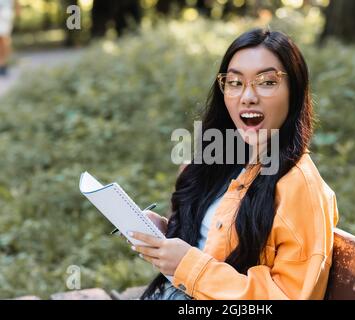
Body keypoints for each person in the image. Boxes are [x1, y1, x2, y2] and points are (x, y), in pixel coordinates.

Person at [129, 28, 340, 300]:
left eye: (266, 82)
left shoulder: (301, 188)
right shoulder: (228, 159)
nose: (247, 96)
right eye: (235, 83)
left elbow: (287, 296)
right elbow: (216, 245)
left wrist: (190, 267)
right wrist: (163, 232)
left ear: (294, 91)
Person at [0, 0, 17, 76]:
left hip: (5, 16)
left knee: (4, 41)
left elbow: (16, 3)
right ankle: (2, 64)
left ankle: (3, 64)